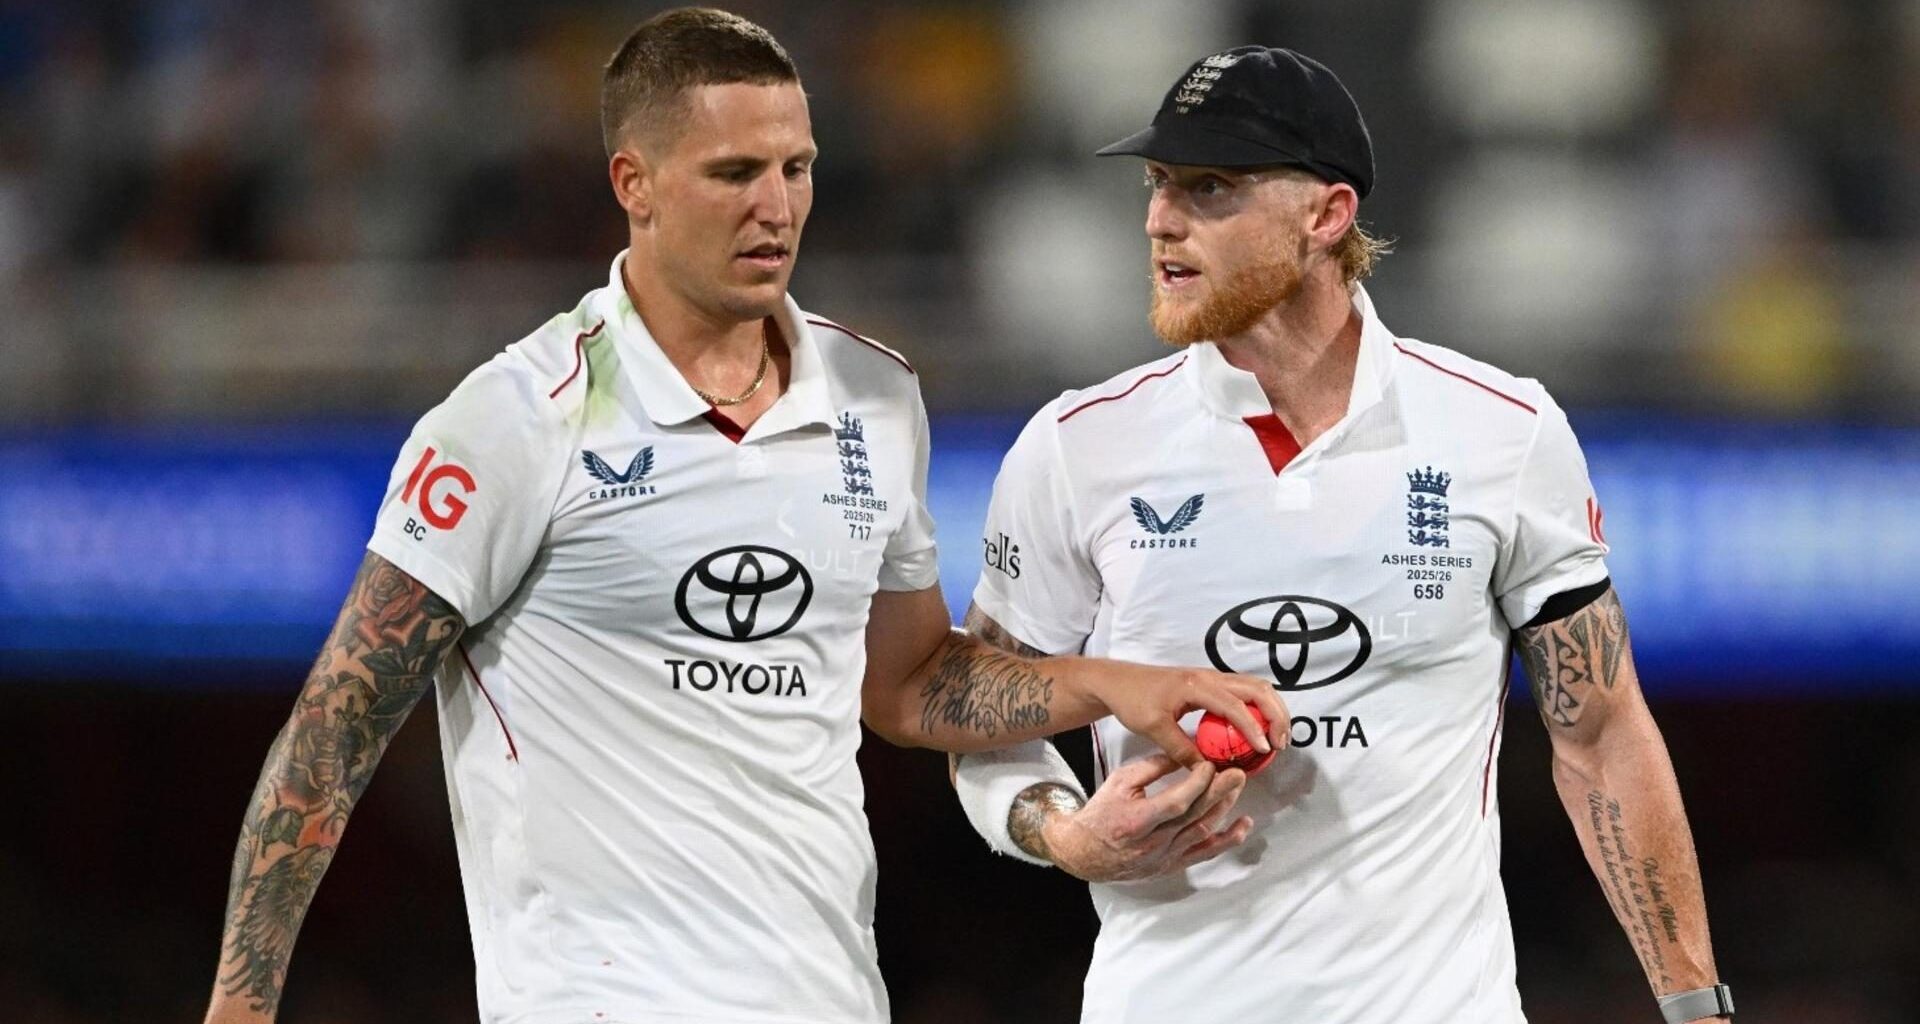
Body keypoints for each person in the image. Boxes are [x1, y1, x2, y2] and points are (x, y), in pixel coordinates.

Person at [201, 12, 1285, 1024]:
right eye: (735, 173)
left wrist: (1115, 684)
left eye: (796, 167)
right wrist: (238, 1012)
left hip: (826, 993)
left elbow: (909, 686)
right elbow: (333, 733)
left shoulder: (873, 392)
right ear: (636, 183)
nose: (779, 205)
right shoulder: (514, 421)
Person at [951, 46, 1735, 1024]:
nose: (1160, 219)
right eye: (1158, 185)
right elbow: (969, 697)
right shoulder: (1079, 446)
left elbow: (1603, 734)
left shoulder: (1503, 430)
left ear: (1327, 215)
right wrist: (1063, 834)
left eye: (1211, 187)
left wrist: (1696, 1005)